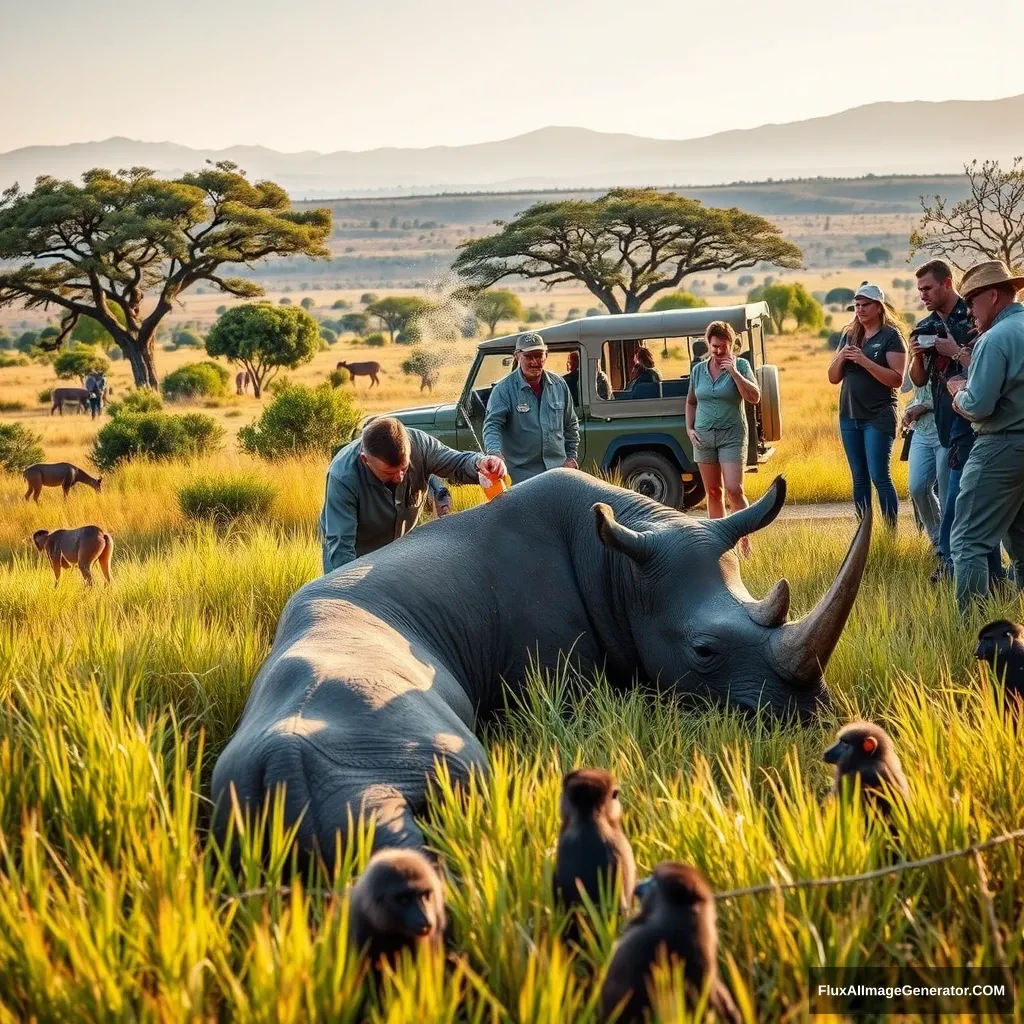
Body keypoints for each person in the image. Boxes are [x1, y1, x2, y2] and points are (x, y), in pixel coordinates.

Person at [909, 259, 1003, 583]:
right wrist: (918, 354)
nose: (923, 294)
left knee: (960, 508)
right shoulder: (924, 326)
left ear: (947, 284)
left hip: (977, 425)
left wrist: (954, 350)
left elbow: (988, 366)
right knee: (972, 508)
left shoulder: (976, 319)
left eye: (928, 288)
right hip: (947, 426)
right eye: (919, 289)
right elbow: (919, 380)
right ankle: (996, 579)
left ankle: (951, 567)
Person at [319, 416, 507, 572]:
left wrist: (481, 464)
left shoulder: (420, 445)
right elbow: (341, 549)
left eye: (404, 468)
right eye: (389, 473)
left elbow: (457, 463)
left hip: (400, 553)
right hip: (357, 557)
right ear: (365, 460)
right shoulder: (343, 476)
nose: (400, 478)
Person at [946, 260, 1024, 608]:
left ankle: (973, 632)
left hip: (999, 447)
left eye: (972, 300)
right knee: (1021, 542)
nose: (968, 311)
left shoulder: (994, 339)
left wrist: (957, 391)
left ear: (993, 296)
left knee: (967, 541)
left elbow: (978, 406)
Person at [827, 283, 907, 528]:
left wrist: (865, 361)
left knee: (879, 476)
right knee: (859, 478)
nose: (860, 310)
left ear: (878, 307)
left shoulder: (892, 337)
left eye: (865, 305)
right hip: (849, 415)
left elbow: (897, 379)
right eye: (857, 306)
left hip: (878, 415)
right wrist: (841, 356)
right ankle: (863, 534)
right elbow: (833, 377)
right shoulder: (849, 334)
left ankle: (890, 533)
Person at [685, 321, 761, 555]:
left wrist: (734, 373)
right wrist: (689, 429)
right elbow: (691, 402)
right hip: (704, 437)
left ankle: (745, 541)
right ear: (708, 344)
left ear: (732, 345)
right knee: (714, 492)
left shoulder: (741, 365)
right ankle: (719, 546)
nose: (718, 351)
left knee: (733, 490)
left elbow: (754, 397)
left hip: (732, 435)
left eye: (723, 347)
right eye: (714, 346)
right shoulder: (698, 370)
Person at [483, 332, 580, 484]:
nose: (535, 361)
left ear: (545, 355)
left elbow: (571, 425)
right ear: (517, 356)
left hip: (558, 473)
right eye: (529, 356)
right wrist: (494, 455)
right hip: (521, 477)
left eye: (539, 355)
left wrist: (571, 457)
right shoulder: (503, 390)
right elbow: (492, 425)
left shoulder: (559, 385)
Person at [901, 376, 947, 549]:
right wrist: (909, 409)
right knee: (917, 487)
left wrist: (926, 405)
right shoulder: (914, 355)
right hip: (920, 430)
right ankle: (936, 537)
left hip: (945, 430)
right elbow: (906, 389)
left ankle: (948, 546)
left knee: (946, 492)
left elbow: (959, 389)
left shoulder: (948, 351)